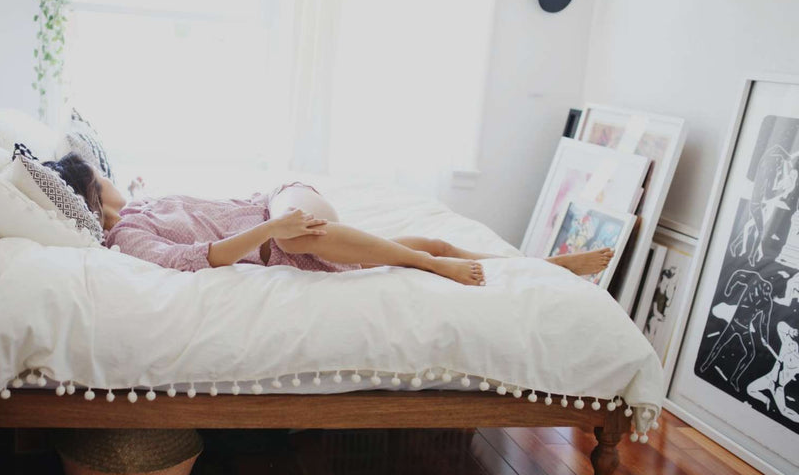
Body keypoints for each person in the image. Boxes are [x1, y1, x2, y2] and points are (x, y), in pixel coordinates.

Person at [44, 154, 613, 286]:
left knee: (324, 231)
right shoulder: (128, 239)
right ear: (94, 193)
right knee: (431, 241)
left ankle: (429, 263)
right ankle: (546, 266)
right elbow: (200, 259)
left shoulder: (142, 203)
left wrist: (275, 216)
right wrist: (271, 231)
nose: (116, 178)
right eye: (103, 173)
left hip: (284, 203)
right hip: (287, 233)